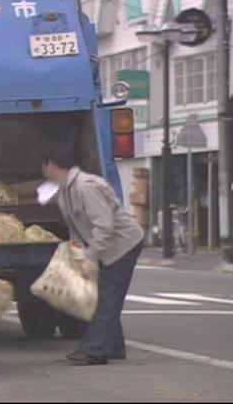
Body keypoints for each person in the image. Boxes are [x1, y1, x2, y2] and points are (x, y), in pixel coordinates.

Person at [41, 143, 144, 365]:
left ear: (51, 164)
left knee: (108, 298)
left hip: (122, 244)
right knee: (104, 295)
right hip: (105, 246)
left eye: (44, 166)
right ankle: (114, 347)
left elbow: (104, 225)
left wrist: (91, 256)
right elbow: (78, 225)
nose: (43, 172)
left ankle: (94, 350)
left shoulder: (86, 187)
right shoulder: (65, 189)